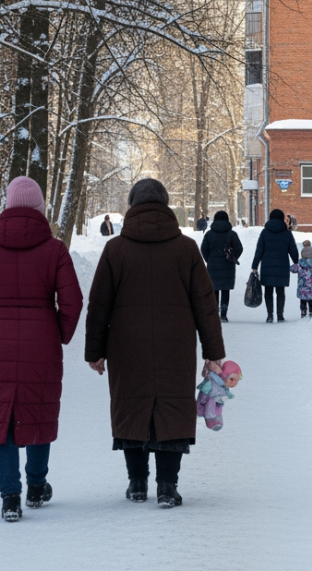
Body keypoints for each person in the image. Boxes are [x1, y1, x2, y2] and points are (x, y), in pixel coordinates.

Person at [85, 178, 227, 508]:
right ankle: (167, 486)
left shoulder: (115, 249)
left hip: (126, 344)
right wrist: (213, 353)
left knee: (131, 404)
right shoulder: (186, 248)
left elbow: (99, 304)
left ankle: (136, 483)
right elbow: (205, 303)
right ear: (165, 206)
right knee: (172, 406)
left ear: (132, 206)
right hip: (175, 343)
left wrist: (96, 351)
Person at [0, 176, 83, 523]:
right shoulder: (55, 249)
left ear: (7, 207)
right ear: (40, 209)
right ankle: (36, 485)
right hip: (41, 341)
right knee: (37, 409)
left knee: (3, 416)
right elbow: (72, 300)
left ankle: (9, 497)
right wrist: (58, 332)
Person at [251, 208, 299, 323]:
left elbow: (259, 250)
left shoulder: (265, 232)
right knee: (280, 291)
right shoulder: (287, 233)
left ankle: (270, 315)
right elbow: (293, 250)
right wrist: (297, 262)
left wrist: (255, 266)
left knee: (268, 291)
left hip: (267, 265)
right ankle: (280, 315)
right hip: (282, 266)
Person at [199, 211, 244, 322]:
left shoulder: (209, 234)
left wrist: (209, 259)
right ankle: (223, 315)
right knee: (225, 290)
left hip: (213, 265)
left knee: (214, 290)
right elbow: (239, 248)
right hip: (227, 265)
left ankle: (215, 313)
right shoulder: (231, 234)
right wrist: (233, 257)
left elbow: (203, 249)